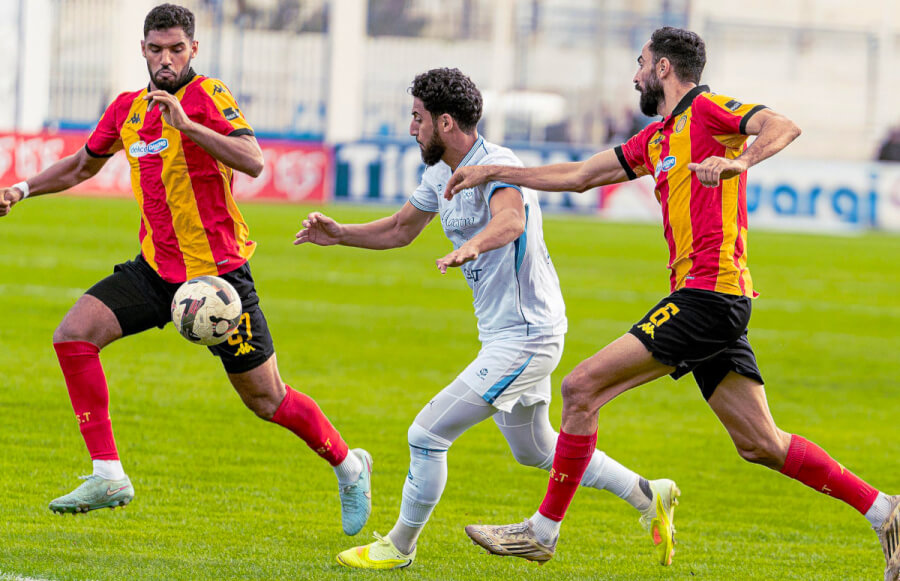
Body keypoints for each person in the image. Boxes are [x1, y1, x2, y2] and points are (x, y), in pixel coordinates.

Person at [451, 27, 900, 580]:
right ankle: (886, 512)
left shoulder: (709, 111)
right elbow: (579, 176)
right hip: (711, 299)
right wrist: (496, 170)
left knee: (580, 387)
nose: (634, 75)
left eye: (640, 63)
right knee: (760, 443)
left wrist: (741, 162)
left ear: (663, 68)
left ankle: (541, 532)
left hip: (709, 295)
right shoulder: (657, 138)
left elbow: (783, 125)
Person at [0, 3, 373, 537]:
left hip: (219, 280)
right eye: (156, 49)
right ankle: (108, 474)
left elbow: (253, 159)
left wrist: (189, 125)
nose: (166, 59)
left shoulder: (208, 96)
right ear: (144, 50)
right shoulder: (126, 110)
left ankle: (350, 466)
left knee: (267, 399)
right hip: (156, 269)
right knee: (73, 335)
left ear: (193, 49)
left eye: (177, 49)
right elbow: (83, 164)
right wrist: (22, 188)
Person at [294, 67, 680, 570]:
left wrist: (473, 246)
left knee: (426, 434)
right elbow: (400, 229)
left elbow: (511, 220)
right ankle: (649, 495)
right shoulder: (438, 172)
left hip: (526, 336)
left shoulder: (497, 164)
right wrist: (339, 233)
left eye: (417, 118)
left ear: (446, 123)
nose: (411, 128)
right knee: (537, 448)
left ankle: (398, 546)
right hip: (508, 333)